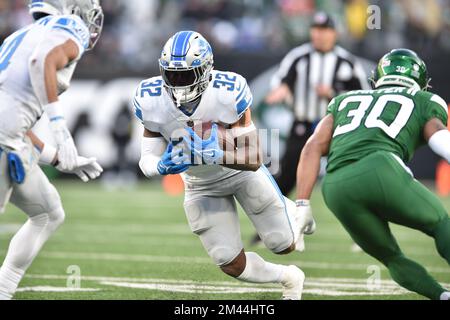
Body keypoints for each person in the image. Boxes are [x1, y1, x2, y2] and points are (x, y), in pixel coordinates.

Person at [134, 31, 315, 300]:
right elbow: (146, 157)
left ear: (206, 70)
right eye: (172, 74)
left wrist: (217, 154)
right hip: (199, 184)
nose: (178, 83)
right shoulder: (150, 98)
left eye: (186, 75)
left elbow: (254, 158)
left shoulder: (227, 91)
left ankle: (292, 212)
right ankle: (288, 277)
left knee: (282, 243)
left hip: (239, 173)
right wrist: (159, 166)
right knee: (228, 262)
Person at [295, 48, 450, 300]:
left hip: (334, 185)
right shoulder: (423, 100)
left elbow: (313, 146)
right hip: (379, 168)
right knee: (441, 223)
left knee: (391, 257)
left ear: (377, 77)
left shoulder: (345, 100)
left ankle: (442, 296)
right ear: (422, 82)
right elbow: (438, 137)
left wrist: (302, 202)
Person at [0, 0, 104, 300]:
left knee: (48, 212)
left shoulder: (17, 36)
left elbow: (13, 122)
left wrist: (57, 158)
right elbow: (40, 61)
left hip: (9, 141)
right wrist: (61, 129)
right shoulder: (68, 26)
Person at [250, 12, 370, 245]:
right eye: (315, 29)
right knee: (285, 177)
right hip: (303, 126)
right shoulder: (299, 57)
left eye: (324, 30)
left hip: (336, 126)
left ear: (334, 33)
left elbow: (362, 96)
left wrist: (333, 94)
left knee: (354, 176)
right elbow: (282, 82)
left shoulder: (346, 63)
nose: (319, 34)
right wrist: (282, 92)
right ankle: (269, 228)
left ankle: (364, 230)